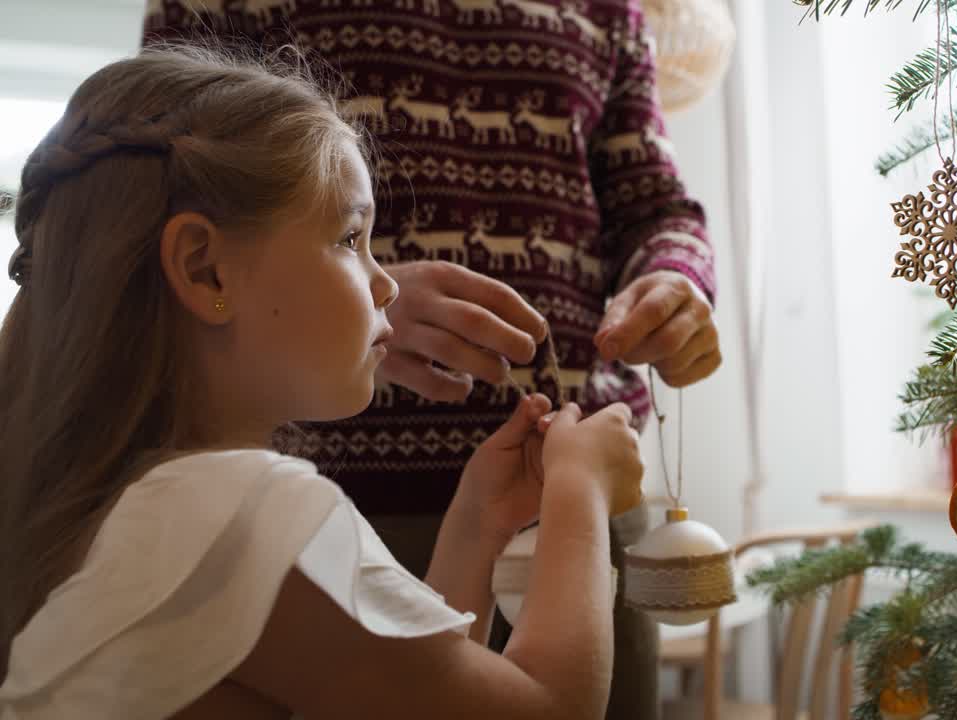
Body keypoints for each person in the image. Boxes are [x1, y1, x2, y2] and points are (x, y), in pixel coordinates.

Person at [0, 46, 644, 719]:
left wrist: (476, 527)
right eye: (349, 237)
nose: (387, 282)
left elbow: (412, 698)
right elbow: (551, 710)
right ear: (205, 270)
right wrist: (582, 489)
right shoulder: (232, 512)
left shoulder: (147, 517)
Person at [144, 2, 722, 716]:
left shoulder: (613, 13)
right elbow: (153, 198)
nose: (377, 280)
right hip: (349, 501)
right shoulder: (252, 522)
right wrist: (348, 307)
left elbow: (652, 203)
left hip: (577, 496)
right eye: (350, 239)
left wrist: (676, 282)